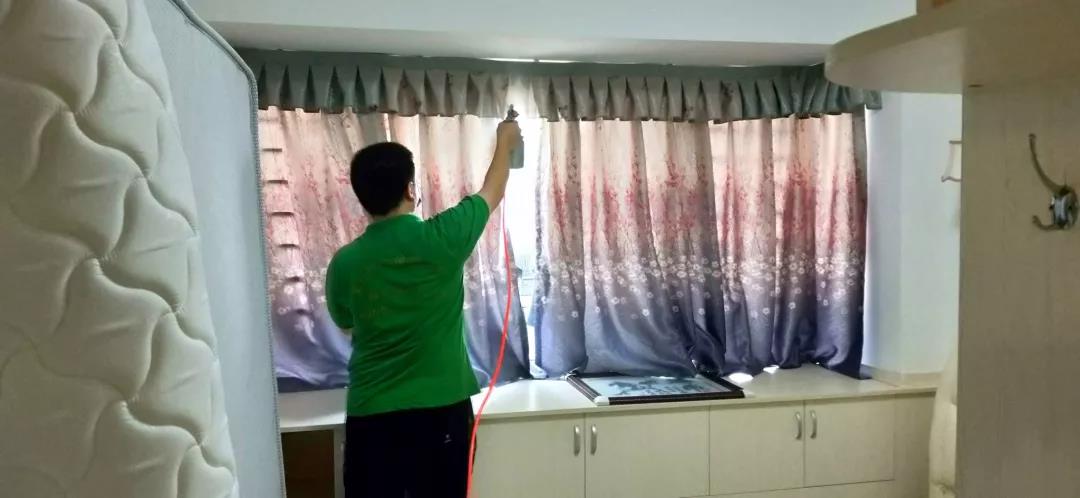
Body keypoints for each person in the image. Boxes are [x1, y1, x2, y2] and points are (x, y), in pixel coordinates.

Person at [324, 119, 522, 498]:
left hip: (372, 416)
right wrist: (505, 139)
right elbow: (492, 190)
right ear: (410, 189)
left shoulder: (345, 263)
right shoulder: (442, 236)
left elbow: (346, 322)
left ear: (362, 198)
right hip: (441, 412)